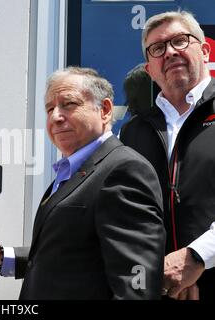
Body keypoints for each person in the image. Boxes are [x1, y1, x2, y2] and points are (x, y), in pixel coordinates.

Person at [0, 67, 166, 300]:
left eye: (68, 104)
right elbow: (74, 253)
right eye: (50, 109)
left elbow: (136, 287)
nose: (56, 116)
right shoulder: (74, 169)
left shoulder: (124, 170)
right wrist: (3, 256)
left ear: (105, 110)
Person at [120, 10, 215, 300]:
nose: (170, 52)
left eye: (180, 41)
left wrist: (196, 257)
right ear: (150, 68)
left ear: (205, 50)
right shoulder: (133, 132)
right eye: (158, 48)